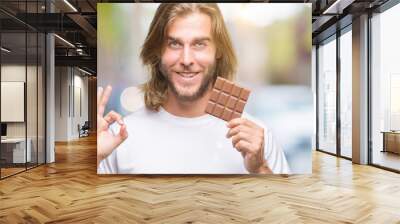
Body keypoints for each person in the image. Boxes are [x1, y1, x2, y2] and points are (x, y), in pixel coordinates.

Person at [97, 3, 290, 174]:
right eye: (174, 44)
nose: (187, 60)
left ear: (219, 52)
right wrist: (93, 156)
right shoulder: (118, 139)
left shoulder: (257, 140)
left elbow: (287, 213)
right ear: (157, 52)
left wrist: (260, 169)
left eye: (199, 44)